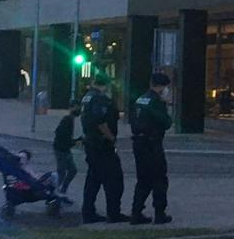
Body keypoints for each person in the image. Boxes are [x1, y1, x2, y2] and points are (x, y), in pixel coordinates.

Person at [80, 74, 125, 223]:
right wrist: (111, 138)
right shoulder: (100, 99)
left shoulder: (87, 97)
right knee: (114, 180)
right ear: (106, 85)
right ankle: (114, 213)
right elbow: (101, 122)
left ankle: (88, 212)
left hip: (91, 143)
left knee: (93, 179)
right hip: (102, 145)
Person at [129, 72, 173, 224]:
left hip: (138, 142)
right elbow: (166, 123)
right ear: (162, 87)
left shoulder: (141, 99)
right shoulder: (156, 102)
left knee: (143, 179)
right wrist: (165, 104)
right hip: (152, 143)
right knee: (159, 179)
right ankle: (160, 213)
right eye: (167, 87)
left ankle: (136, 212)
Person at [52, 103, 81, 199]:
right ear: (71, 108)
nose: (78, 109)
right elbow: (62, 135)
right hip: (61, 150)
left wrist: (74, 141)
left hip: (65, 149)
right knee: (62, 173)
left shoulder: (70, 119)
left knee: (72, 170)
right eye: (76, 107)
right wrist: (73, 142)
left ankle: (62, 190)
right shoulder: (67, 119)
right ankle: (54, 192)